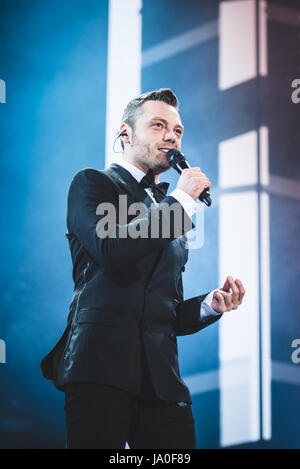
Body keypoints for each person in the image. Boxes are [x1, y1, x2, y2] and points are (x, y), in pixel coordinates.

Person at [41, 88, 245, 449]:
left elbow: (163, 311)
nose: (171, 136)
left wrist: (209, 304)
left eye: (178, 130)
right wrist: (181, 200)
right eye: (158, 125)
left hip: (162, 381)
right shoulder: (93, 183)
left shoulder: (170, 210)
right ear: (126, 134)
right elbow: (113, 249)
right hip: (99, 368)